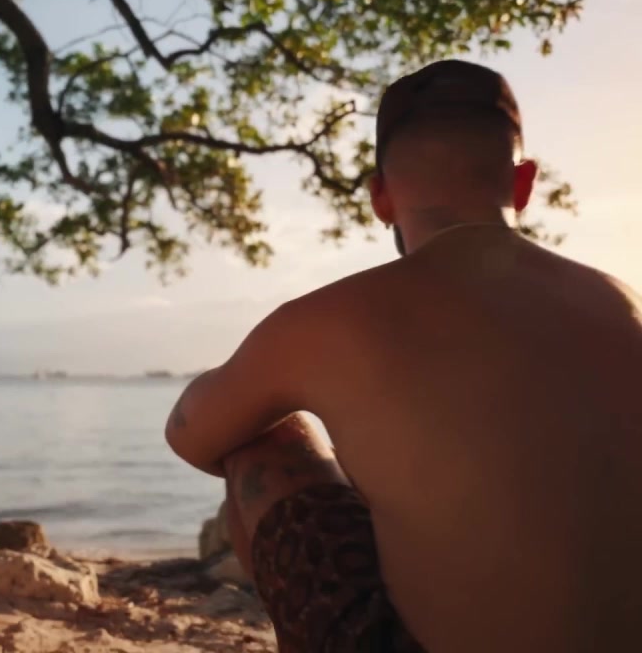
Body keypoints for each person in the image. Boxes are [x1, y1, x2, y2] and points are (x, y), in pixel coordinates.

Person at [164, 60, 642, 653]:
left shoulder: (332, 317)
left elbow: (191, 435)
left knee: (264, 438)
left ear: (380, 197)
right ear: (524, 184)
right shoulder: (623, 304)